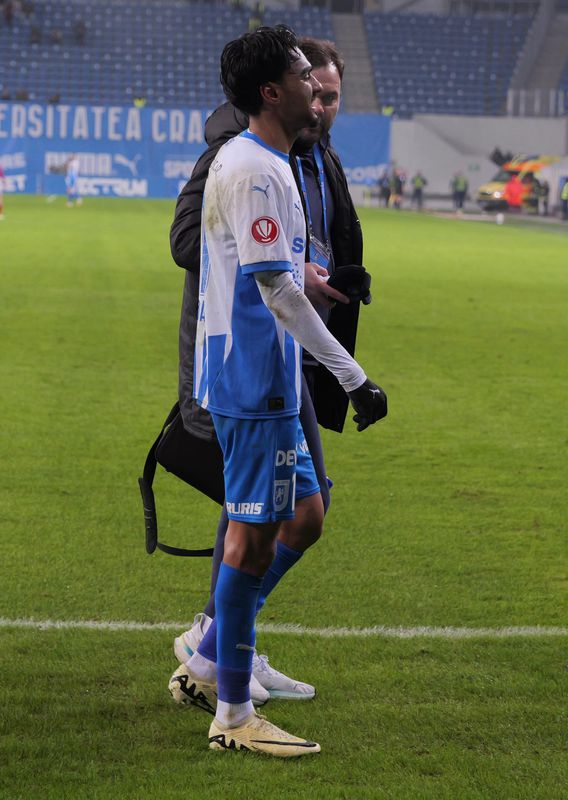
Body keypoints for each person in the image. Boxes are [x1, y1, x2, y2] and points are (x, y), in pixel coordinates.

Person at [167, 27, 386, 757]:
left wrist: (320, 282)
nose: (314, 90)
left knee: (304, 515)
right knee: (250, 540)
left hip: (268, 376)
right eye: (302, 77)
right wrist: (356, 379)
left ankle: (215, 664)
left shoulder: (272, 161)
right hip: (254, 379)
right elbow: (276, 296)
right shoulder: (256, 169)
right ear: (272, 92)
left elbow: (282, 275)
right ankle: (230, 710)